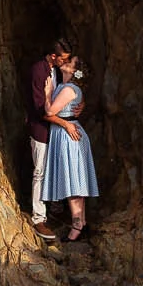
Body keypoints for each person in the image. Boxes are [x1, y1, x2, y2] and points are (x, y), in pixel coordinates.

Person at [41, 54, 99, 239]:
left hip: (69, 135)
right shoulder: (65, 87)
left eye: (69, 62)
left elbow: (50, 111)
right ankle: (81, 222)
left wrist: (48, 93)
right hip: (66, 132)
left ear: (74, 71)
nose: (65, 62)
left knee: (74, 182)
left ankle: (77, 227)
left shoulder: (68, 89)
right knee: (75, 180)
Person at [27, 39, 72, 238]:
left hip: (54, 129)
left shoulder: (56, 71)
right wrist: (66, 124)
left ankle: (55, 208)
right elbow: (40, 110)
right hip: (41, 129)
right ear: (54, 56)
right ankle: (38, 218)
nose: (66, 61)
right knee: (40, 172)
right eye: (63, 58)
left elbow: (75, 77)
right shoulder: (39, 70)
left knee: (57, 167)